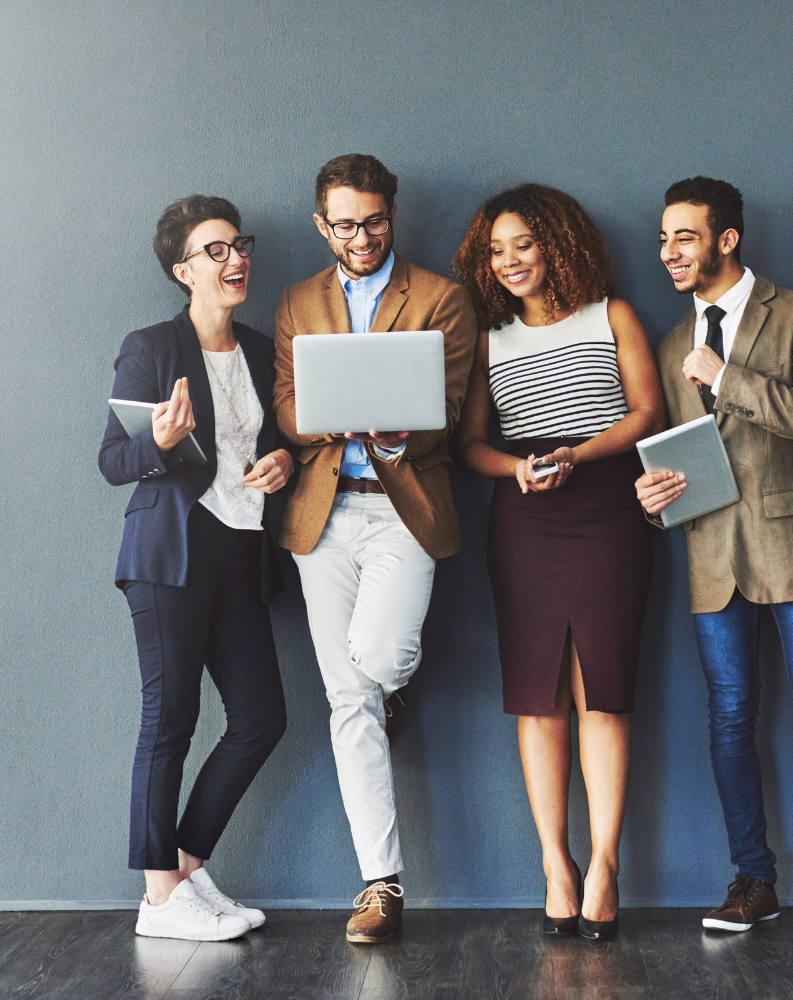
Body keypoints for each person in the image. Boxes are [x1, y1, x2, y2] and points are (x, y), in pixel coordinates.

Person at [635, 177, 793, 936]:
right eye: (663, 238)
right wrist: (657, 497)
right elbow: (688, 457)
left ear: (725, 239)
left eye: (684, 236)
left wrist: (729, 379)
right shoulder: (673, 341)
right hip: (713, 553)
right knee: (729, 719)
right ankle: (753, 881)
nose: (669, 251)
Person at [272, 154, 477, 944]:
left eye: (376, 220)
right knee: (347, 703)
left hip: (404, 508)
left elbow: (451, 412)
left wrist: (397, 429)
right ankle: (381, 885)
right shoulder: (297, 300)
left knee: (379, 659)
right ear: (322, 225)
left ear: (394, 214)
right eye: (346, 224)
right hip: (322, 518)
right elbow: (290, 410)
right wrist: (342, 418)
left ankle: (392, 684)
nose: (362, 237)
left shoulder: (440, 297)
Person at [452, 184, 665, 941]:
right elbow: (470, 444)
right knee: (537, 696)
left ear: (559, 246)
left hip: (610, 510)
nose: (509, 261)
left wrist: (577, 452)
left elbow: (647, 413)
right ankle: (556, 865)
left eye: (524, 245)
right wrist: (517, 471)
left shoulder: (612, 316)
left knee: (601, 692)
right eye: (496, 249)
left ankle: (606, 865)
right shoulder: (489, 337)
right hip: (526, 517)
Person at [99, 195, 293, 941]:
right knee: (170, 718)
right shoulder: (150, 346)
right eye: (215, 251)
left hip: (242, 551)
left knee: (261, 719)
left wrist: (280, 460)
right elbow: (112, 459)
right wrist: (158, 439)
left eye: (238, 245)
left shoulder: (261, 346)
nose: (236, 258)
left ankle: (184, 867)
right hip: (168, 555)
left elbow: (276, 442)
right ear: (184, 271)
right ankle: (157, 900)